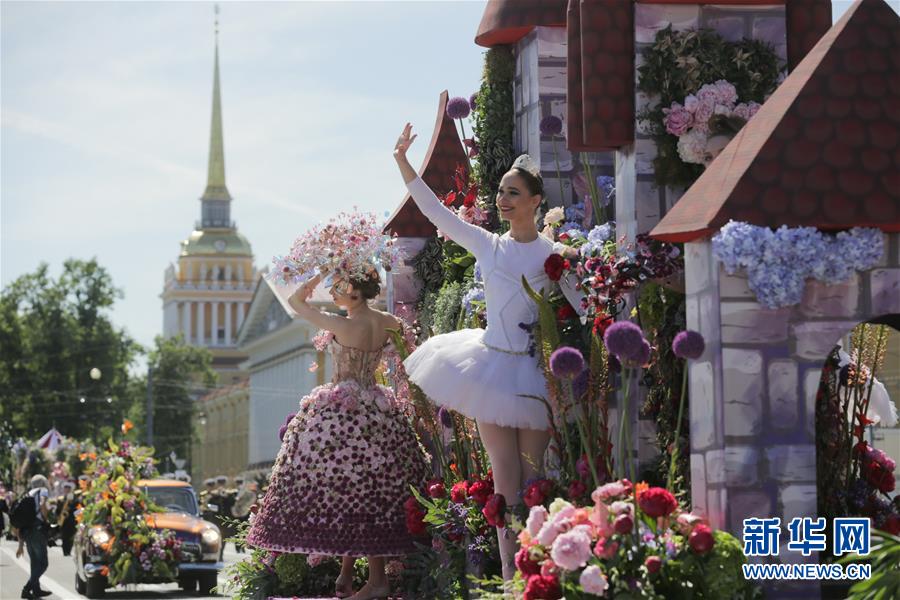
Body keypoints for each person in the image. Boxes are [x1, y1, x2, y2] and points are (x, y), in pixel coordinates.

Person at [394, 123, 582, 580]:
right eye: (500, 192)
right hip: (489, 367)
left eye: (513, 192)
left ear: (535, 201)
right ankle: (512, 580)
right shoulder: (488, 245)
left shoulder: (553, 254)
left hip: (534, 375)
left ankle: (538, 574)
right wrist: (402, 162)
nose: (503, 199)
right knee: (505, 481)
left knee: (535, 482)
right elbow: (436, 213)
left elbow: (585, 305)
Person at [246, 268, 430, 600]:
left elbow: (295, 302)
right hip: (378, 411)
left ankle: (377, 582)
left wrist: (320, 274)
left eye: (338, 287)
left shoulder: (343, 325)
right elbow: (409, 358)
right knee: (371, 493)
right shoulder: (388, 321)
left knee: (348, 492)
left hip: (341, 413)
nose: (332, 292)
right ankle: (349, 574)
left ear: (355, 292)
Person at [14, 475, 52, 599]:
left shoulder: (27, 494)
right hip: (37, 530)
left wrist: (20, 545)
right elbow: (42, 504)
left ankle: (36, 590)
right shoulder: (43, 490)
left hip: (27, 532)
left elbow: (20, 521)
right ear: (43, 483)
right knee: (43, 564)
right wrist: (46, 520)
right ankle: (27, 589)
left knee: (34, 563)